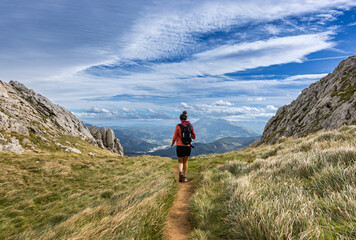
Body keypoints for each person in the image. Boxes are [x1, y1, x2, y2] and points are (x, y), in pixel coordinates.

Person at [171, 111, 196, 183]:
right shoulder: (190, 126)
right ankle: (184, 177)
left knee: (180, 161)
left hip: (179, 146)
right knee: (185, 161)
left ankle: (180, 172)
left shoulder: (178, 126)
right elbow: (194, 137)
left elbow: (175, 136)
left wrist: (172, 144)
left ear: (180, 119)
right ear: (186, 118)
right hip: (187, 146)